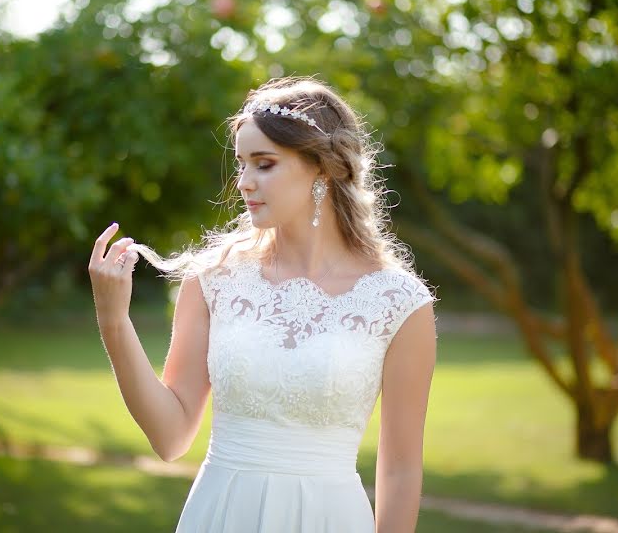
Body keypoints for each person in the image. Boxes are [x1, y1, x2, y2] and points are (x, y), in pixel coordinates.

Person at [88, 76, 437, 532]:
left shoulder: (399, 302)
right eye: (241, 164)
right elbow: (170, 438)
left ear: (322, 169)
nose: (244, 183)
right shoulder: (213, 280)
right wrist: (114, 321)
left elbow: (400, 470)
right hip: (221, 514)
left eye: (264, 164)